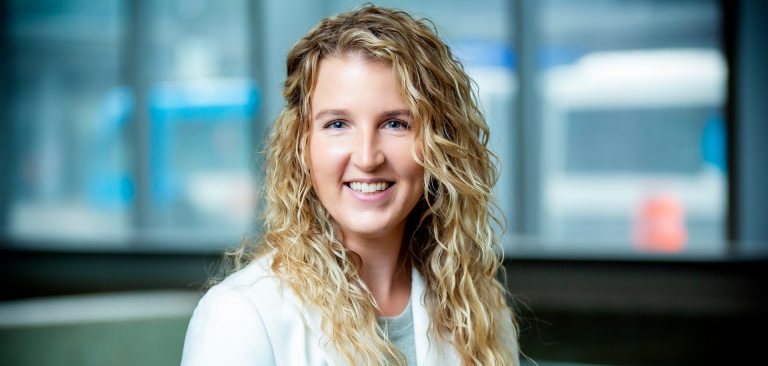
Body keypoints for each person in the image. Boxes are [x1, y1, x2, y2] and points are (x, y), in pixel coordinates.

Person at [181, 5, 520, 366]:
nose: (367, 157)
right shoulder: (240, 318)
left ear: (440, 144)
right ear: (301, 145)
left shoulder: (481, 314)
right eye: (338, 124)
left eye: (395, 124)